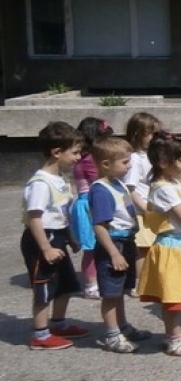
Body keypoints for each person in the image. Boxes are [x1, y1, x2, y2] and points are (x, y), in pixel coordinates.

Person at [137, 131, 181, 357]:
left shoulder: (171, 183)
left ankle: (175, 334)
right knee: (173, 297)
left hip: (177, 246)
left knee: (178, 293)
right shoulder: (164, 188)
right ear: (163, 162)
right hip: (170, 247)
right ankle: (174, 339)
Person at [21, 121, 89, 350]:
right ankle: (40, 335)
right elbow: (35, 219)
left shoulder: (60, 179)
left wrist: (70, 238)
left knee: (65, 284)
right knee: (44, 287)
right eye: (75, 152)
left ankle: (58, 323)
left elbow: (61, 214)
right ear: (57, 152)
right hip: (42, 239)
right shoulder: (40, 183)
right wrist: (46, 248)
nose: (78, 158)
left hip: (58, 236)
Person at [88, 136, 153, 353]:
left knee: (120, 290)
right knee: (110, 294)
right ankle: (112, 334)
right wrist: (114, 253)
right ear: (106, 164)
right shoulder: (101, 190)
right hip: (113, 244)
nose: (129, 166)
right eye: (125, 162)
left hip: (126, 241)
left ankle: (122, 325)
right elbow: (100, 226)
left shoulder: (118, 184)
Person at [72, 117, 113, 300]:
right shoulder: (89, 160)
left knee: (94, 247)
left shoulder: (82, 158)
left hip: (88, 202)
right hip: (90, 204)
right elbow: (100, 180)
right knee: (92, 247)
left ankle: (93, 282)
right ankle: (90, 284)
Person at [123, 112, 162, 293]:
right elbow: (131, 189)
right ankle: (139, 283)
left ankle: (149, 279)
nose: (155, 137)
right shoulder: (135, 159)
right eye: (151, 133)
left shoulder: (150, 156)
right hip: (142, 211)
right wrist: (144, 208)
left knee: (153, 246)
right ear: (138, 135)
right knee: (143, 249)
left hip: (152, 207)